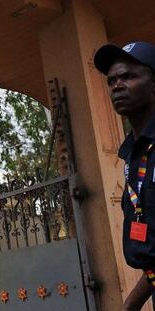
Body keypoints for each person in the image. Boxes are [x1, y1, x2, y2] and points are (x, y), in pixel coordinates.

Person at [94, 41, 155, 310]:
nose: (117, 85)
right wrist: (132, 303)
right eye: (112, 80)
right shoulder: (132, 156)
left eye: (129, 76)